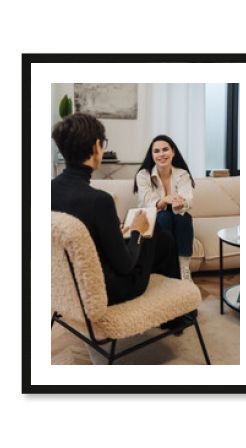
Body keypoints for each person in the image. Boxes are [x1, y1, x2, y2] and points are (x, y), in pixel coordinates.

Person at [51, 113, 185, 327]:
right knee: (156, 232)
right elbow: (126, 265)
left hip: (67, 286)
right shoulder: (99, 201)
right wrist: (137, 231)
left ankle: (177, 312)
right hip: (109, 289)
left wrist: (116, 231)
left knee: (165, 239)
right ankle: (176, 315)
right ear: (97, 146)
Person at [134, 135, 195, 280]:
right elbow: (148, 202)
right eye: (156, 151)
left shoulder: (182, 174)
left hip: (176, 216)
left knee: (184, 217)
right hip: (152, 217)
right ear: (152, 155)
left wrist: (179, 203)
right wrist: (164, 200)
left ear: (173, 152)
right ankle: (167, 269)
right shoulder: (143, 175)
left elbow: (188, 200)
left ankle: (184, 269)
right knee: (164, 216)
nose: (161, 154)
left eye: (165, 149)